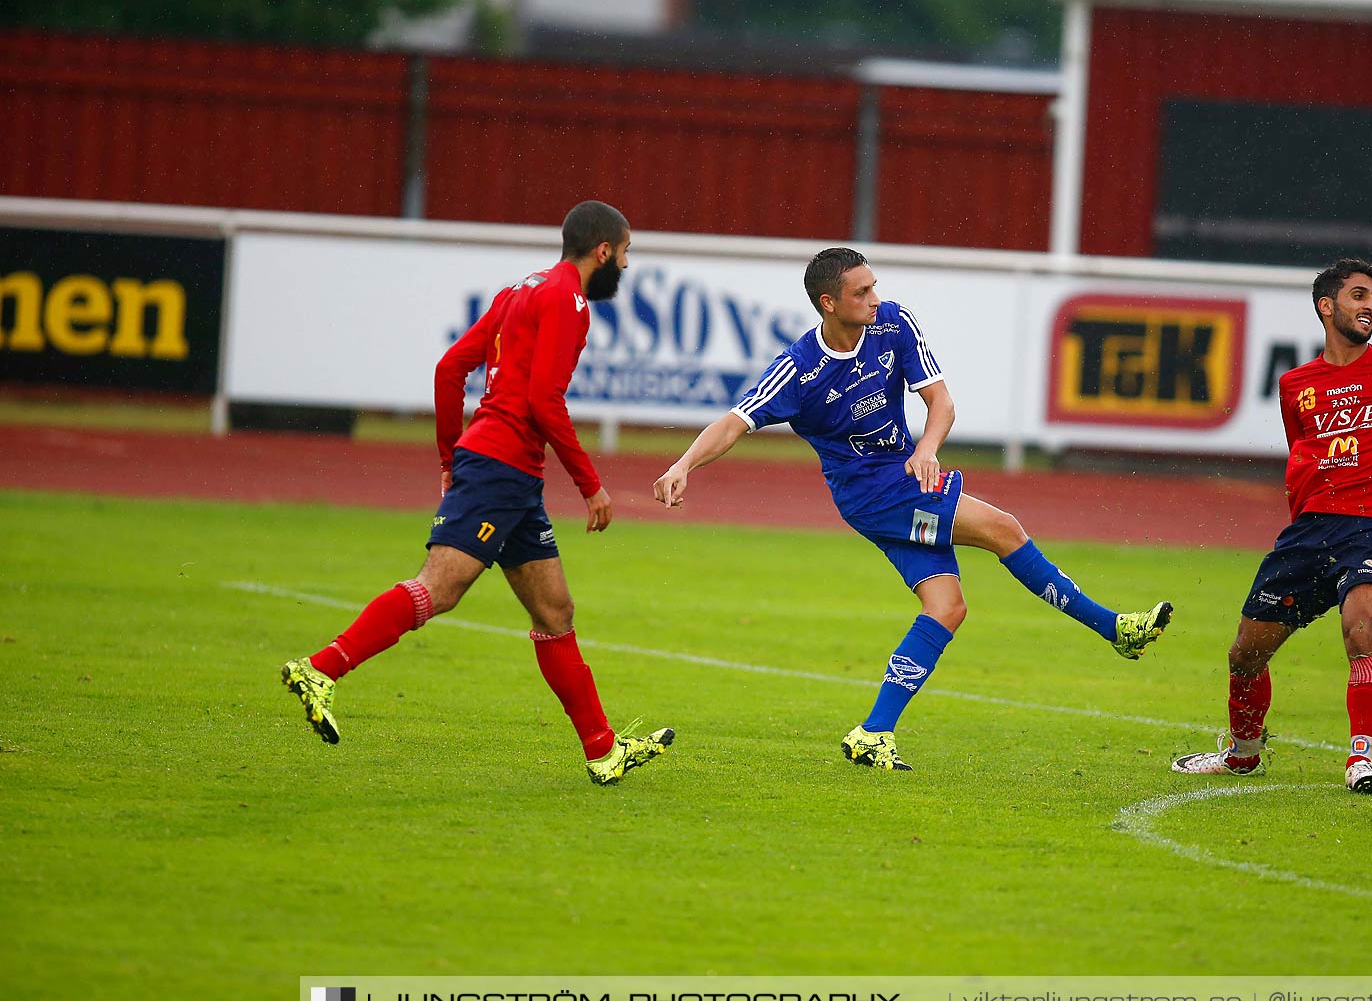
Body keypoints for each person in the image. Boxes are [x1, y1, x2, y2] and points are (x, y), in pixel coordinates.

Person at [651, 247, 1173, 772]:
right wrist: (683, 465)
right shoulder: (798, 369)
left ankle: (873, 733)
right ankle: (1115, 629)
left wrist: (926, 449)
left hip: (905, 474)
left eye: (875, 286)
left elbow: (941, 402)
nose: (875, 299)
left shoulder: (893, 324)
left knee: (946, 608)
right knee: (1004, 529)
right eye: (862, 292)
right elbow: (733, 422)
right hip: (873, 496)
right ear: (828, 303)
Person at [280, 200, 675, 785]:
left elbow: (449, 369)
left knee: (554, 610)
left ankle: (602, 750)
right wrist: (591, 486)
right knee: (439, 589)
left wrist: (449, 458)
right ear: (604, 251)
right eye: (626, 251)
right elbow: (544, 401)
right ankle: (323, 667)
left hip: (503, 471)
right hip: (502, 469)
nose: (626, 261)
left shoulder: (519, 290)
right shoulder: (567, 301)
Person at [1172, 258, 1372, 794]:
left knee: (1362, 629)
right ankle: (1243, 755)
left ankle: (1360, 759)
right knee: (1245, 654)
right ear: (1326, 306)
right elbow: (1302, 460)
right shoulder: (1295, 385)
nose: (1371, 307)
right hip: (1308, 535)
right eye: (1359, 296)